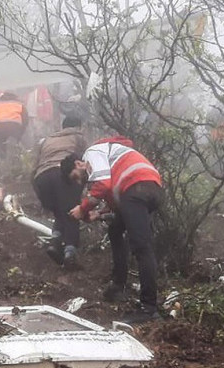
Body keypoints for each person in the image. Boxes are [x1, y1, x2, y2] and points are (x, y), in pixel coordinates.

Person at [62, 137, 164, 323]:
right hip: (149, 188)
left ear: (79, 163)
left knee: (142, 247)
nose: (80, 182)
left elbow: (103, 185)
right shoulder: (111, 159)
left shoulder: (91, 153)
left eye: (76, 176)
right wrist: (99, 214)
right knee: (116, 230)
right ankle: (117, 287)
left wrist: (82, 208)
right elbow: (118, 202)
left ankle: (149, 308)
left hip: (137, 187)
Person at [31, 116, 87, 268]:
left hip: (41, 178)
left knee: (60, 213)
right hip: (62, 174)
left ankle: (55, 243)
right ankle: (70, 254)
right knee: (72, 213)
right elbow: (84, 161)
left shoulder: (48, 139)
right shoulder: (78, 137)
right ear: (78, 126)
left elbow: (35, 164)